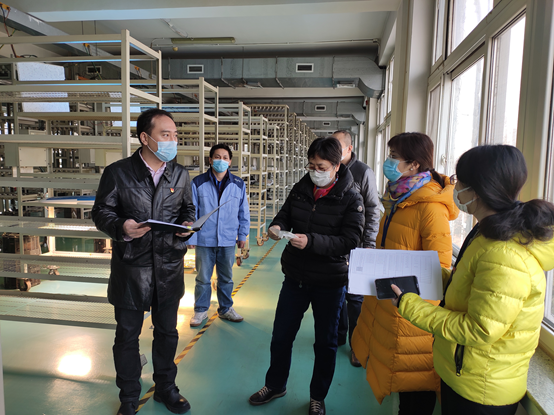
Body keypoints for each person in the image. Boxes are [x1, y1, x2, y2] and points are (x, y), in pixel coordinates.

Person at [390, 145, 554, 415]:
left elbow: (479, 329)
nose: (454, 187)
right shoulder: (488, 231)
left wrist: (409, 305)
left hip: (482, 390)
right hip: (466, 374)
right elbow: (469, 285)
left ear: (476, 190)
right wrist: (424, 273)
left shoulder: (505, 254)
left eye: (458, 181)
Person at [248, 137, 364, 415]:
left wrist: (311, 241)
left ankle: (317, 396)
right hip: (295, 277)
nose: (315, 171)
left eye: (321, 167)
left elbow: (351, 240)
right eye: (311, 165)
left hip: (329, 282)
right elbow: (285, 214)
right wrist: (277, 226)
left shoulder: (351, 197)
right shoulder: (301, 188)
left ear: (336, 166)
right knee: (281, 336)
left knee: (325, 343)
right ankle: (275, 384)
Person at [92, 108, 195, 415]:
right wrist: (121, 226)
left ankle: (166, 388)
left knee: (167, 332)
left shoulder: (180, 174)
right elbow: (101, 212)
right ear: (145, 138)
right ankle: (128, 397)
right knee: (127, 336)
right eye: (166, 134)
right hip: (131, 269)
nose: (172, 140)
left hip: (169, 268)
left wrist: (186, 226)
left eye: (175, 135)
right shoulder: (118, 173)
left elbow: (188, 210)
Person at [351, 132, 459, 414]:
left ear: (413, 164)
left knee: (416, 384)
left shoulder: (430, 208)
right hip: (392, 301)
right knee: (402, 383)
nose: (388, 162)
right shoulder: (400, 198)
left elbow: (438, 269)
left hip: (413, 312)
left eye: (394, 157)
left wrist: (407, 297)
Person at [187, 143, 250, 327]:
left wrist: (243, 235)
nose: (221, 160)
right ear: (210, 160)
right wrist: (192, 236)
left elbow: (243, 212)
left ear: (230, 162)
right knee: (202, 278)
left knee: (226, 278)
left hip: (228, 240)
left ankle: (225, 309)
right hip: (205, 240)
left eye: (225, 158)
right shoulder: (198, 182)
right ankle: (200, 310)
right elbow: (192, 212)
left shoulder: (238, 184)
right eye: (217, 157)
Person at [332, 130, 380, 367]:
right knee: (336, 292)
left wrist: (368, 243)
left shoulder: (363, 172)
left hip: (357, 245)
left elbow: (372, 209)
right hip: (334, 243)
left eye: (337, 145)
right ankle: (339, 335)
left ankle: (357, 345)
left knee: (355, 297)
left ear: (349, 148)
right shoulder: (332, 169)